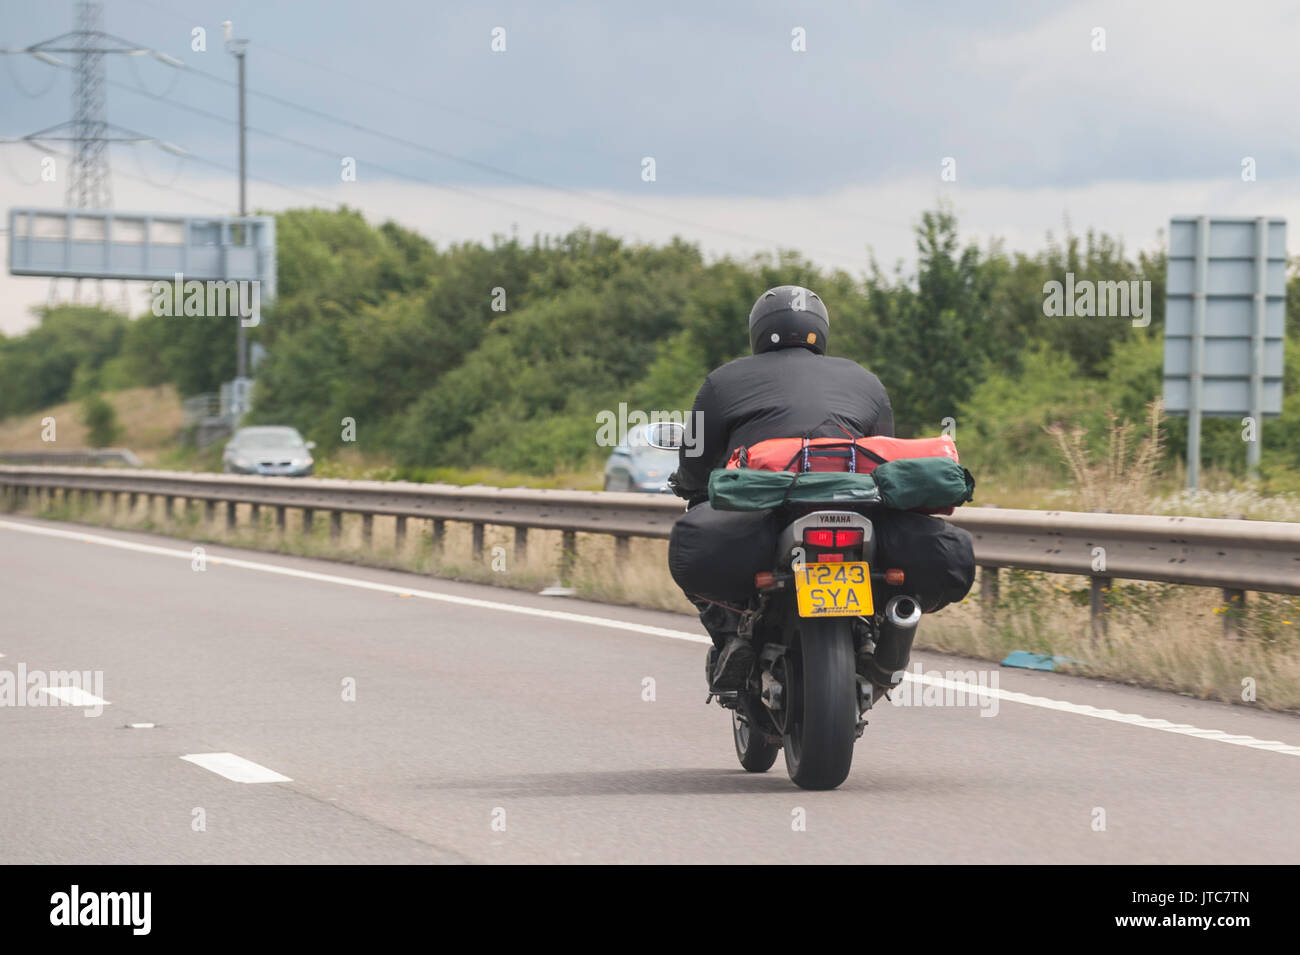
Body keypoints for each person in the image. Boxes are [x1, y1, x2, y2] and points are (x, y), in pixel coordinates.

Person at [667, 285, 897, 691]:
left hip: (767, 511)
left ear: (758, 331)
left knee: (697, 535)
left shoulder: (724, 380)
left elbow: (696, 462)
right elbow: (883, 454)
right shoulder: (865, 380)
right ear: (821, 331)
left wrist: (688, 486)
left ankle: (730, 635)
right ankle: (878, 633)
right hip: (855, 507)